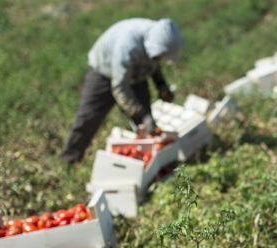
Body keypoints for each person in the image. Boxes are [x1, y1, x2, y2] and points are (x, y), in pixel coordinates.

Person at [60, 18, 184, 164]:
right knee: (88, 118)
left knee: (147, 125)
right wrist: (141, 114)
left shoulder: (158, 39)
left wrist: (161, 85)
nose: (161, 59)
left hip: (136, 74)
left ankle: (148, 163)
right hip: (104, 73)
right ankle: (69, 159)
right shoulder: (128, 46)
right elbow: (119, 87)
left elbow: (155, 63)